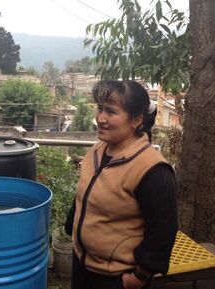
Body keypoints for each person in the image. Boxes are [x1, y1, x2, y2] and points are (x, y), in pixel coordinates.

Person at [65, 80, 178, 289]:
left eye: (111, 112)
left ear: (136, 120)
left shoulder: (153, 170)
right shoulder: (97, 151)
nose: (100, 118)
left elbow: (163, 231)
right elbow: (85, 194)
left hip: (115, 278)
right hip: (82, 266)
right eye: (100, 109)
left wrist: (138, 277)